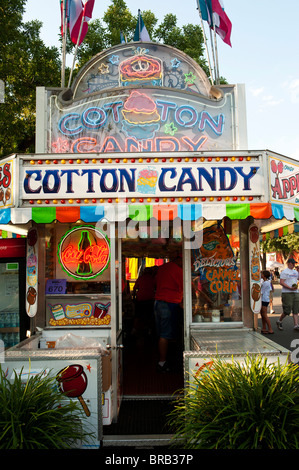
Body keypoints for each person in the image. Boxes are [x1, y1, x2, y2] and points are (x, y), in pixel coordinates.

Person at [154, 254, 183, 372]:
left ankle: (165, 359)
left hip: (158, 302)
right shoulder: (179, 271)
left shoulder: (162, 268)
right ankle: (162, 362)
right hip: (170, 303)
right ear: (179, 259)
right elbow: (185, 287)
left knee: (161, 333)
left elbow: (155, 283)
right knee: (165, 335)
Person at [132, 266, 157, 337]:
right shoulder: (153, 279)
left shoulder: (140, 278)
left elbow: (134, 289)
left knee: (138, 315)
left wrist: (134, 297)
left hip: (140, 299)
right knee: (149, 316)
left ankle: (134, 329)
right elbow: (156, 287)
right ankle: (149, 330)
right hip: (150, 299)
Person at [277, 258, 299, 331]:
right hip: (287, 292)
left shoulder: (295, 272)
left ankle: (296, 325)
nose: (293, 265)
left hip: (295, 292)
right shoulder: (284, 272)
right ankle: (279, 320)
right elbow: (281, 282)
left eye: (294, 263)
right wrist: (289, 288)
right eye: (292, 263)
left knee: (296, 309)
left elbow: (297, 279)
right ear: (288, 263)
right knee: (287, 309)